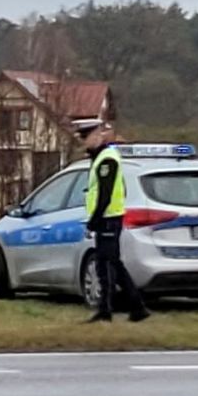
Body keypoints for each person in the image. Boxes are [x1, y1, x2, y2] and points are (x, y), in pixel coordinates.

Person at [75, 119, 150, 323]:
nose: (83, 142)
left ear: (97, 135)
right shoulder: (99, 157)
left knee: (111, 264)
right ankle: (111, 310)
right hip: (107, 218)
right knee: (105, 264)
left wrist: (95, 219)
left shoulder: (107, 159)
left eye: (85, 137)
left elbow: (105, 194)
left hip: (109, 218)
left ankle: (134, 307)